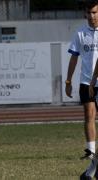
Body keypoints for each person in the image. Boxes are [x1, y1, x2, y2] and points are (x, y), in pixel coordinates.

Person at [65, 1, 98, 179]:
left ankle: (93, 165)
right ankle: (91, 152)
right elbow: (73, 58)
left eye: (94, 12)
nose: (92, 16)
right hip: (86, 82)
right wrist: (68, 80)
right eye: (89, 13)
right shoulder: (80, 34)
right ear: (85, 14)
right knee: (89, 115)